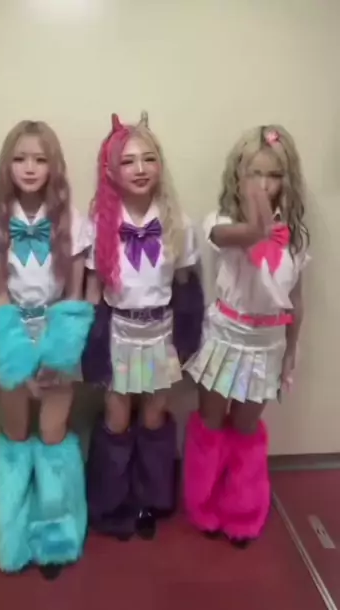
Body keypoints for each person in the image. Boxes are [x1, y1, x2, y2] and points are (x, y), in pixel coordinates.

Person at [183, 125, 310, 548]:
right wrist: (257, 213)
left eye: (273, 175)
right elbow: (246, 234)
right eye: (254, 173)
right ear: (237, 176)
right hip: (225, 338)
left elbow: (296, 301)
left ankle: (242, 510)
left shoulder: (294, 241)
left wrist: (291, 353)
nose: (263, 184)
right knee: (211, 422)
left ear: (287, 180)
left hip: (266, 345)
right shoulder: (221, 222)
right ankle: (203, 505)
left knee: (246, 427)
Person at [0, 120, 93, 580]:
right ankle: (12, 536)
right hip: (11, 340)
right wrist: (18, 361)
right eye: (20, 158)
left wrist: (55, 356)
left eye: (40, 159)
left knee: (52, 436)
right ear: (7, 165)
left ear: (54, 166)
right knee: (15, 434)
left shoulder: (74, 222)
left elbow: (76, 296)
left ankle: (56, 537)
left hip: (58, 339)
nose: (29, 167)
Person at [83, 112, 204, 542]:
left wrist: (187, 340)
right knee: (117, 418)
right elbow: (92, 293)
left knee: (154, 418)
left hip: (161, 334)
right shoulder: (99, 224)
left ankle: (150, 501)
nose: (139, 168)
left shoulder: (179, 223)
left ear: (160, 165)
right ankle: (110, 503)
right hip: (118, 333)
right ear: (111, 170)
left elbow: (187, 287)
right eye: (128, 160)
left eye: (148, 159)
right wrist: (88, 345)